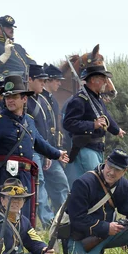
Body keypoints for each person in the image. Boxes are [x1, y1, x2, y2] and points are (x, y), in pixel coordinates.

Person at [0, 75, 69, 227]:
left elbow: (38, 142)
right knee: (4, 216)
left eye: (14, 97)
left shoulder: (29, 120)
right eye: (7, 97)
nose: (10, 100)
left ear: (24, 99)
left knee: (23, 216)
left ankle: (20, 247)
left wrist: (57, 153)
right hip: (7, 177)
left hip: (25, 177)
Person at [67, 149, 128, 254]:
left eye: (117, 170)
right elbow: (77, 219)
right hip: (82, 237)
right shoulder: (84, 183)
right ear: (105, 162)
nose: (112, 172)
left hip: (108, 234)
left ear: (124, 171)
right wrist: (106, 227)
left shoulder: (124, 185)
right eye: (110, 167)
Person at [63, 65, 126, 186]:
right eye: (103, 79)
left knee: (97, 183)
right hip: (85, 148)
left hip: (97, 147)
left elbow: (106, 117)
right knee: (96, 183)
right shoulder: (79, 99)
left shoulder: (96, 98)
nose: (106, 82)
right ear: (93, 80)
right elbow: (68, 123)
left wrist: (116, 130)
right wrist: (93, 125)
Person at [26, 64, 55, 227]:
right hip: (30, 149)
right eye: (40, 80)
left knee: (42, 183)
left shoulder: (40, 99)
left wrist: (47, 153)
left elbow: (46, 129)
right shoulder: (25, 101)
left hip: (40, 149)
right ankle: (46, 218)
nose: (43, 84)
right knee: (40, 182)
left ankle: (45, 217)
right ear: (30, 79)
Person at [41, 63, 70, 215]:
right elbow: (43, 129)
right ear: (48, 80)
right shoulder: (40, 99)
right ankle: (50, 220)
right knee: (46, 188)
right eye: (57, 80)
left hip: (53, 150)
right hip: (44, 150)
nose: (59, 83)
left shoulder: (51, 100)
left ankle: (62, 218)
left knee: (60, 185)